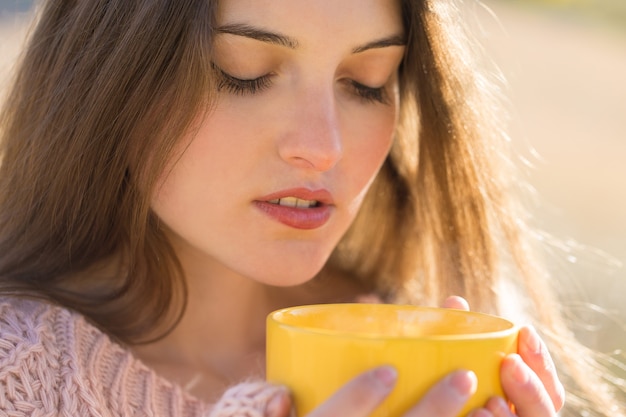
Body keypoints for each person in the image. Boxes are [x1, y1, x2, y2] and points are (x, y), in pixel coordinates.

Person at [0, 0, 622, 416]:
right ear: (110, 76)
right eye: (241, 73)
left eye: (367, 82)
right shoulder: (19, 377)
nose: (322, 147)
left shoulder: (452, 342)